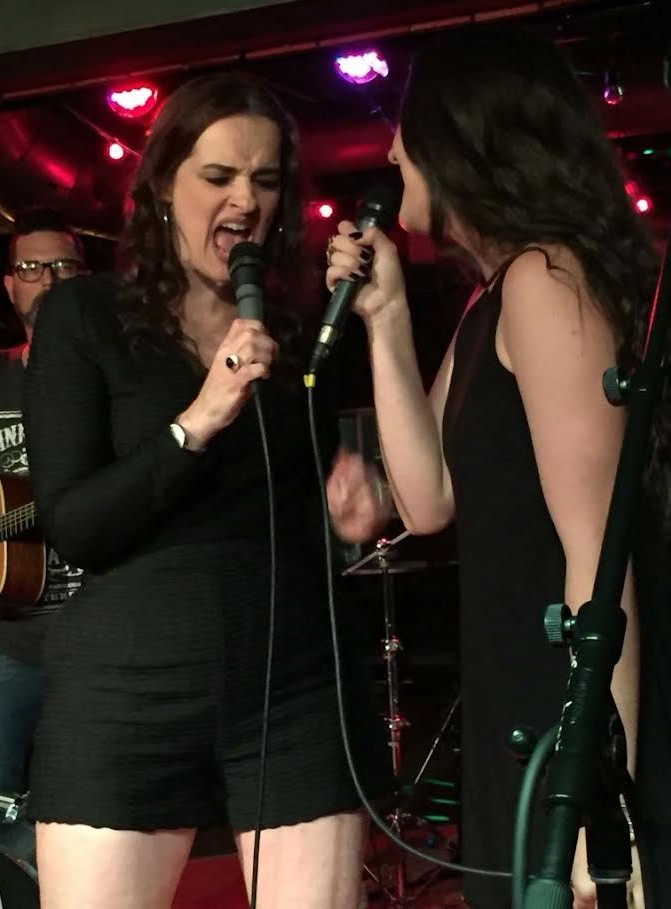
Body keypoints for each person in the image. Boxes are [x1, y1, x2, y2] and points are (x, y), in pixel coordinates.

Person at [23, 73, 393, 909]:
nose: (245, 201)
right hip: (128, 685)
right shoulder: (87, 316)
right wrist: (197, 419)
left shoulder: (298, 330)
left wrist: (347, 509)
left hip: (292, 682)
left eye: (265, 181)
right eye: (219, 176)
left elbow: (309, 502)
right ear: (163, 186)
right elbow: (75, 523)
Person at [326, 25, 671, 909]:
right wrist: (386, 319)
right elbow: (427, 498)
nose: (391, 150)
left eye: (407, 129)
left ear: (460, 141)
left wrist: (604, 801)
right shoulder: (496, 293)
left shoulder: (545, 282)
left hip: (574, 720)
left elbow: (601, 552)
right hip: (520, 706)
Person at [0, 209, 85, 794]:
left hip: (101, 634)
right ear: (10, 286)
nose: (49, 280)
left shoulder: (120, 378)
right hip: (6, 639)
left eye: (64, 267)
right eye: (32, 268)